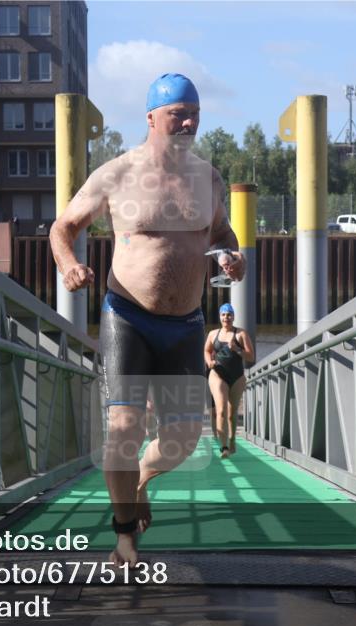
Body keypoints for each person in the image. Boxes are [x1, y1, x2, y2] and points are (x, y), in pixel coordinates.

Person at [49, 73, 245, 566]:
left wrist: (231, 257)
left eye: (194, 112)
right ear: (152, 118)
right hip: (128, 317)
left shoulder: (208, 177)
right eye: (178, 112)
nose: (189, 121)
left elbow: (224, 235)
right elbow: (63, 227)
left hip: (185, 324)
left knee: (181, 440)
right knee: (123, 428)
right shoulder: (117, 173)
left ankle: (140, 480)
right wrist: (70, 265)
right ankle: (124, 538)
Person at [205, 303, 255, 458]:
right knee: (220, 410)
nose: (226, 318)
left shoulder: (241, 334)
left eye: (229, 315)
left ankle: (232, 440)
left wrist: (237, 350)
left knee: (232, 414)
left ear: (233, 317)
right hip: (218, 374)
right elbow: (206, 350)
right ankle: (224, 447)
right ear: (220, 317)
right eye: (223, 315)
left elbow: (251, 357)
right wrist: (209, 362)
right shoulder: (213, 334)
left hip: (237, 377)